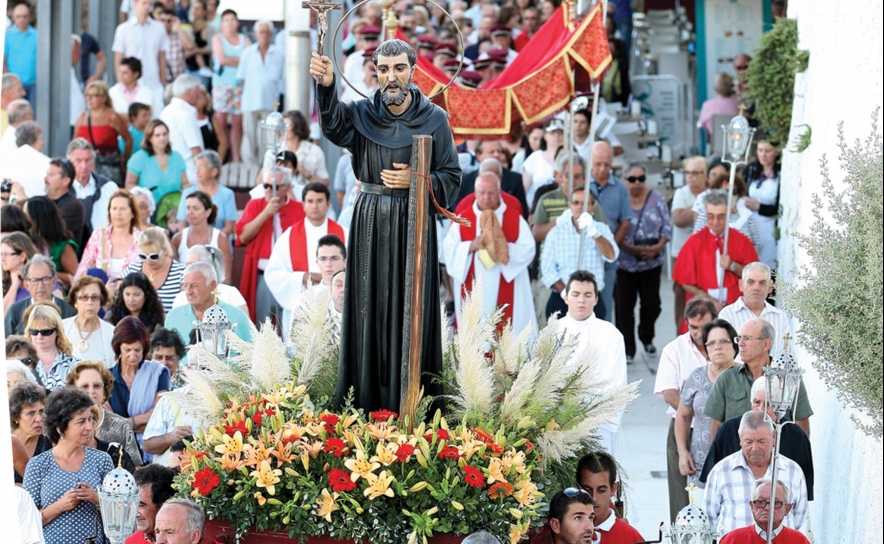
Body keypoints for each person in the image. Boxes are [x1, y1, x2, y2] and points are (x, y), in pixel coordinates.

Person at [311, 39, 461, 411]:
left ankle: (415, 406)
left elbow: (452, 177)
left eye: (398, 68)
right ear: (374, 72)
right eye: (382, 69)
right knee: (369, 307)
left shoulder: (435, 119)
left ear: (413, 71)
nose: (390, 77)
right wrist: (327, 87)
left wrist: (417, 181)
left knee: (411, 311)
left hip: (415, 225)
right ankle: (366, 402)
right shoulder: (362, 113)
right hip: (370, 223)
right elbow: (332, 126)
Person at [445, 173, 536, 334]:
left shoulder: (514, 218)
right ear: (475, 192)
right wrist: (471, 246)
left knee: (505, 333)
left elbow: (528, 249)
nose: (486, 197)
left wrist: (502, 248)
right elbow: (448, 250)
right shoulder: (463, 219)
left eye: (491, 192)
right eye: (481, 192)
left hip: (507, 283)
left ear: (499, 192)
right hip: (471, 283)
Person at [22, 387, 114, 544]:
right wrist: (60, 506)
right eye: (81, 421)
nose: (89, 427)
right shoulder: (38, 465)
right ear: (60, 428)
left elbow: (121, 514)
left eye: (90, 419)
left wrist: (97, 499)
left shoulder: (102, 460)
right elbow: (26, 523)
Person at [654, 297, 718, 520]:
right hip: (684, 428)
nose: (699, 333)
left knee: (719, 491)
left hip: (720, 429)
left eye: (705, 327)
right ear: (686, 323)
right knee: (681, 496)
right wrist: (697, 411)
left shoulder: (726, 347)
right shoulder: (674, 349)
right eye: (693, 327)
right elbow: (669, 393)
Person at [700, 378, 814, 501]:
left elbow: (803, 495)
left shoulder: (796, 436)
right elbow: (710, 481)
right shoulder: (729, 429)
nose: (761, 410)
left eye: (769, 404)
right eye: (757, 402)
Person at [704, 318, 812, 439]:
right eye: (739, 338)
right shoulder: (726, 379)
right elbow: (715, 430)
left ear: (766, 344)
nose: (740, 343)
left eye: (747, 338)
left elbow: (801, 427)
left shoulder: (789, 379)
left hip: (778, 455)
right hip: (736, 456)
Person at [705, 410, 807, 537]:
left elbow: (799, 517)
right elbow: (709, 519)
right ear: (740, 438)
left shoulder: (793, 471)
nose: (755, 448)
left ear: (774, 437)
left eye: (761, 442)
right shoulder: (721, 471)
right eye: (748, 442)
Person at [558, 270, 627, 455]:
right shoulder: (552, 332)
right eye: (576, 294)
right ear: (565, 298)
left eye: (588, 295)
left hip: (600, 427)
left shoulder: (611, 334)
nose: (581, 300)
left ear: (596, 299)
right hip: (558, 426)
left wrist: (588, 414)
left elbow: (616, 383)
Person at [266, 183, 346, 335]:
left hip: (337, 306)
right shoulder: (289, 236)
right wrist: (302, 277)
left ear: (329, 204)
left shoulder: (344, 234)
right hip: (303, 304)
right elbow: (273, 273)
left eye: (319, 201)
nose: (315, 206)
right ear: (302, 205)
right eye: (310, 201)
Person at [614, 161, 672, 359]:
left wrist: (657, 247)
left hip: (652, 262)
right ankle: (628, 349)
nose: (637, 183)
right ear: (624, 180)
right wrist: (632, 249)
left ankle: (646, 338)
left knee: (652, 304)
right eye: (632, 179)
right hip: (625, 262)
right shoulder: (620, 198)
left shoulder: (657, 198)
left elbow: (666, 226)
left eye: (641, 178)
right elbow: (615, 229)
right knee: (624, 308)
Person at [235, 165, 305, 323]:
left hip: (290, 276)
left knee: (290, 322)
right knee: (263, 323)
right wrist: (265, 213)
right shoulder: (255, 205)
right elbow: (243, 237)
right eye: (265, 185)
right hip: (263, 274)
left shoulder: (298, 209)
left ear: (287, 187)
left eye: (274, 187)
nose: (268, 190)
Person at [675, 319, 739, 487]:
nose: (717, 347)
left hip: (739, 466)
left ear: (734, 345)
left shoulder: (745, 377)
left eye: (723, 341)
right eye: (711, 343)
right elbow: (682, 416)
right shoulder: (696, 377)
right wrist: (683, 452)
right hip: (700, 466)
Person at [540, 183, 617, 321]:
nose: (580, 207)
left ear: (593, 207)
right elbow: (547, 269)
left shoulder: (601, 229)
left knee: (594, 342)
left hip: (592, 300)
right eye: (576, 203)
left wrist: (595, 233)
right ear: (570, 205)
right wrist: (567, 293)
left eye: (585, 203)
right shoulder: (556, 232)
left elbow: (611, 256)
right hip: (562, 299)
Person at [674, 189, 760, 312]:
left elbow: (754, 276)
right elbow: (684, 280)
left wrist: (732, 265)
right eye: (710, 216)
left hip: (736, 308)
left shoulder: (742, 241)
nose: (715, 222)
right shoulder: (694, 242)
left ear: (729, 213)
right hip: (702, 308)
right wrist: (708, 301)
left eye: (721, 216)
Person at [108, 316, 171, 461]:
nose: (133, 355)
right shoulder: (106, 377)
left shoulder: (158, 373)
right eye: (127, 349)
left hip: (152, 455)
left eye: (138, 349)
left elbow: (158, 414)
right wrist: (143, 423)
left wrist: (125, 424)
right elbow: (109, 426)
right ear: (118, 348)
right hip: (117, 455)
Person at [67, 360, 143, 468]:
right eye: (84, 386)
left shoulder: (121, 425)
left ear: (105, 391)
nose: (91, 391)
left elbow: (135, 470)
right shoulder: (64, 424)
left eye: (97, 386)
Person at [164, 262, 254, 349]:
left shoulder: (237, 316)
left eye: (194, 285)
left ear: (212, 285)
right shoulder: (173, 317)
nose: (188, 292)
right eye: (185, 286)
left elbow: (253, 353)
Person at [588, 141, 631, 323]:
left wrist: (612, 247)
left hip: (608, 258)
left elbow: (625, 221)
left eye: (607, 164)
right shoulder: (582, 186)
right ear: (590, 161)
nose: (603, 168)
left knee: (605, 306)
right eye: (598, 163)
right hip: (585, 254)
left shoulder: (620, 187)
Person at [238, 20, 285, 165]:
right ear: (255, 34)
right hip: (250, 100)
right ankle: (249, 165)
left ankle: (266, 163)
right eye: (261, 32)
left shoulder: (278, 53)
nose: (264, 35)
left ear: (271, 34)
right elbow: (242, 78)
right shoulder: (247, 53)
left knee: (268, 135)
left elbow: (283, 78)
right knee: (249, 135)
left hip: (270, 101)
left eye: (266, 32)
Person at [75, 190, 144, 288]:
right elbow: (82, 267)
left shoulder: (142, 239)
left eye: (123, 209)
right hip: (101, 296)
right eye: (114, 208)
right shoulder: (98, 236)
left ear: (133, 213)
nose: (118, 213)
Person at [719, 262, 792, 354]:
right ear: (741, 285)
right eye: (750, 282)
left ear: (770, 287)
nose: (756, 287)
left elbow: (789, 356)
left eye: (762, 283)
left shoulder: (780, 317)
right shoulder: (727, 315)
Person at [112, 0, 169, 116]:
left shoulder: (159, 29)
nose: (147, 7)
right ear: (135, 3)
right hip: (130, 86)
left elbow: (162, 58)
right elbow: (118, 58)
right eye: (144, 3)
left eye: (149, 4)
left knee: (155, 121)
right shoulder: (123, 29)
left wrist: (162, 82)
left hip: (153, 84)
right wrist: (121, 83)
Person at [671, 156, 708, 328]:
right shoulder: (682, 193)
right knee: (681, 297)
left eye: (696, 173)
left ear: (705, 174)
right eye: (688, 173)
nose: (691, 177)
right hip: (681, 254)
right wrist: (699, 202)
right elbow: (678, 219)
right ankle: (681, 333)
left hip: (705, 255)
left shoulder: (711, 193)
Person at [73, 81, 132, 184]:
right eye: (87, 95)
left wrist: (125, 160)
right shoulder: (82, 117)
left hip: (108, 166)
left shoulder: (112, 117)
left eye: (94, 95)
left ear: (104, 98)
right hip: (85, 167)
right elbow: (74, 143)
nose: (89, 99)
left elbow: (128, 139)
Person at [576, 451, 644, 541]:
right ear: (577, 488)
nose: (593, 498)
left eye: (601, 491)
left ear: (613, 489)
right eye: (587, 490)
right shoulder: (564, 532)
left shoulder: (630, 537)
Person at [211, 9, 250, 163]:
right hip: (222, 85)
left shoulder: (244, 38)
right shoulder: (217, 38)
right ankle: (222, 153)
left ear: (237, 22)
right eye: (226, 20)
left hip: (240, 85)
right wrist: (239, 60)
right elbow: (222, 59)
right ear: (222, 23)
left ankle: (236, 157)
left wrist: (232, 60)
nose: (230, 23)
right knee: (220, 121)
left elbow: (249, 60)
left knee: (238, 123)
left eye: (232, 19)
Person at [451, 141, 529, 216]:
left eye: (499, 151)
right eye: (491, 152)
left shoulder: (515, 179)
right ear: (479, 156)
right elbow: (458, 211)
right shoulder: (465, 181)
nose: (497, 155)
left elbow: (521, 212)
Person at [719, 480, 811, 544]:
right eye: (760, 502)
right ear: (752, 506)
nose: (767, 508)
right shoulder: (732, 540)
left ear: (787, 509)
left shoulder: (799, 541)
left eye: (775, 503)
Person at [4, 255, 77, 335]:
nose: (40, 285)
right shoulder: (14, 311)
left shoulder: (69, 311)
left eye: (45, 279)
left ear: (54, 281)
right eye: (34, 280)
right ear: (26, 285)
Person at [122, 227, 187, 314]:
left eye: (154, 256)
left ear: (165, 250)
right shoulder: (131, 270)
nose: (148, 261)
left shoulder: (181, 273)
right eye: (143, 256)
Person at [126, 120, 189, 205]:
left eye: (164, 134)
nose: (162, 138)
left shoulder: (177, 157)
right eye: (157, 135)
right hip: (149, 207)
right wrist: (143, 193)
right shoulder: (138, 158)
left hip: (174, 206)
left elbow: (185, 184)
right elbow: (129, 184)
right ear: (150, 138)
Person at [175, 150, 237, 236]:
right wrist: (192, 239)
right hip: (191, 245)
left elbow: (229, 227)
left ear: (214, 171)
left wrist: (212, 241)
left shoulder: (227, 194)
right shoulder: (187, 193)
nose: (197, 172)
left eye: (200, 168)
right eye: (196, 168)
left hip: (218, 245)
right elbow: (181, 224)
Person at [172, 192, 232, 278]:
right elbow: (174, 273)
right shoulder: (178, 238)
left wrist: (216, 292)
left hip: (214, 290)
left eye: (195, 208)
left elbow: (226, 276)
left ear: (208, 212)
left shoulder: (220, 238)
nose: (190, 212)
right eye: (188, 208)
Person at [741, 137, 781, 268]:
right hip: (751, 226)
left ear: (776, 152)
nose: (763, 155)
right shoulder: (751, 171)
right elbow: (738, 191)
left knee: (768, 264)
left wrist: (760, 207)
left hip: (769, 227)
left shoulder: (781, 173)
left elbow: (781, 207)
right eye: (760, 150)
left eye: (768, 151)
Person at [23, 196, 79, 287]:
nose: (24, 219)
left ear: (38, 218)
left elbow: (75, 277)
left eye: (26, 215)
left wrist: (44, 272)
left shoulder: (63, 245)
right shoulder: (25, 238)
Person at [172, 244, 245, 311]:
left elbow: (245, 323)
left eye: (193, 264)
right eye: (187, 264)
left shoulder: (231, 294)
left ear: (211, 267)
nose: (188, 269)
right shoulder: (181, 298)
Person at [160, 74, 205, 185]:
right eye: (197, 90)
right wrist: (203, 173)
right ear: (188, 92)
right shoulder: (186, 114)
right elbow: (195, 149)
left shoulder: (165, 111)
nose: (199, 94)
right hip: (190, 174)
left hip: (168, 171)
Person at [25, 303, 81, 391]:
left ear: (57, 331)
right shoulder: (22, 361)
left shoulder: (73, 360)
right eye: (34, 332)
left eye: (45, 332)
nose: (39, 337)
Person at [63, 277, 117, 366]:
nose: (90, 302)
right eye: (84, 297)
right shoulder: (61, 328)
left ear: (101, 301)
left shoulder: (112, 334)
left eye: (95, 297)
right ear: (75, 302)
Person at [144, 388, 201, 465]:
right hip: (172, 473)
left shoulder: (221, 400)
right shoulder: (169, 400)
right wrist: (170, 437)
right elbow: (148, 445)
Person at [10, 382, 52, 482]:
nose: (38, 419)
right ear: (16, 417)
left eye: (41, 411)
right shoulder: (6, 441)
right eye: (31, 413)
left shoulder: (50, 446)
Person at [126, 464, 179, 544]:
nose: (133, 512)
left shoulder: (185, 539)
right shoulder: (132, 541)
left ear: (164, 505)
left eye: (141, 505)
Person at [43, 158, 86, 249]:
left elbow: (51, 230)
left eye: (51, 175)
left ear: (65, 181)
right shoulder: (42, 201)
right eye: (46, 174)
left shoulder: (73, 206)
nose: (45, 178)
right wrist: (5, 198)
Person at [283, 109, 330, 190]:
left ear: (297, 126)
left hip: (306, 199)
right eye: (281, 125)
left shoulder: (314, 151)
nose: (283, 129)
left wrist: (307, 174)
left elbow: (325, 183)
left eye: (286, 125)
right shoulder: (276, 150)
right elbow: (260, 182)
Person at [522, 118, 563, 206]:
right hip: (539, 205)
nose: (556, 136)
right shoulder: (534, 158)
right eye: (552, 132)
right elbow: (523, 189)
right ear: (545, 135)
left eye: (560, 132)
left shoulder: (572, 156)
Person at [3, 3, 38, 107]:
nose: (21, 19)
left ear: (29, 18)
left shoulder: (37, 35)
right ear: (13, 18)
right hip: (14, 86)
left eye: (24, 16)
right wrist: (9, 79)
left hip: (34, 84)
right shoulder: (7, 35)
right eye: (18, 16)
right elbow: (3, 60)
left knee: (32, 113)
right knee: (15, 113)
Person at [2, 231, 39, 314]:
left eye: (6, 254)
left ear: (22, 256)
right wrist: (14, 286)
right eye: (1, 254)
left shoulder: (42, 277)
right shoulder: (4, 283)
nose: (2, 259)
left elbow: (58, 307)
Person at [699, 72, 742, 138]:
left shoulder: (707, 105)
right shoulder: (739, 104)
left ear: (715, 87)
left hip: (715, 144)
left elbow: (703, 124)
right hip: (735, 142)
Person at [183, 1, 215, 86]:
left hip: (203, 71)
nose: (195, 11)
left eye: (198, 8)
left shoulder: (209, 28)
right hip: (187, 68)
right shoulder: (187, 25)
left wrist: (194, 51)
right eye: (193, 8)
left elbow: (211, 48)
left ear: (204, 11)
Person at [195, 86, 228, 160]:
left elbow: (222, 141)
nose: (196, 101)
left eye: (199, 98)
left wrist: (218, 161)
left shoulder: (211, 117)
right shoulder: (188, 117)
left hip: (210, 157)